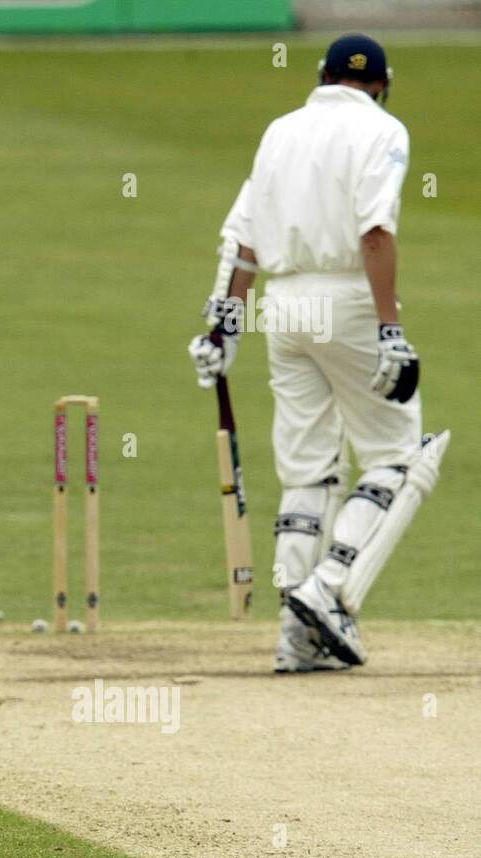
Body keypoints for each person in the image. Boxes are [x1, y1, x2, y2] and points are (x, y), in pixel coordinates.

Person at [189, 33, 449, 672]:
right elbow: (376, 231)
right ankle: (328, 589)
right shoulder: (384, 131)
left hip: (282, 305)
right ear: (382, 84)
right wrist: (390, 329)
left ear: (321, 75)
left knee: (309, 469)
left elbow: (242, 240)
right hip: (347, 300)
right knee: (399, 456)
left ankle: (295, 636)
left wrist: (224, 329)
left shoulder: (281, 130)